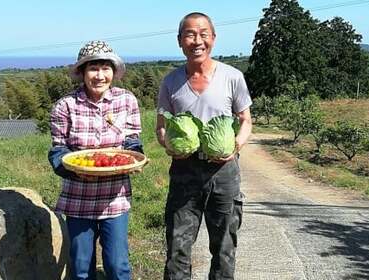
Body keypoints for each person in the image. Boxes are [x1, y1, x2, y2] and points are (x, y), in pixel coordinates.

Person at [156, 12, 252, 280]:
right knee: (177, 247)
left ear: (213, 38)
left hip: (224, 172)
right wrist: (168, 143)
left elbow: (245, 121)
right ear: (179, 41)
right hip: (184, 170)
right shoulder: (171, 82)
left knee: (224, 247)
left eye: (203, 34)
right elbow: (161, 126)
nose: (196, 40)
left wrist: (236, 145)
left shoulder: (232, 77)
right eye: (189, 34)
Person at [48, 40, 143, 280]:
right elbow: (58, 151)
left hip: (115, 196)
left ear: (113, 71)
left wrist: (135, 159)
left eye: (105, 68)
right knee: (80, 267)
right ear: (82, 72)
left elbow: (132, 140)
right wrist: (73, 171)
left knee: (117, 265)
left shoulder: (126, 100)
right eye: (93, 68)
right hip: (78, 197)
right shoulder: (65, 106)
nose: (99, 75)